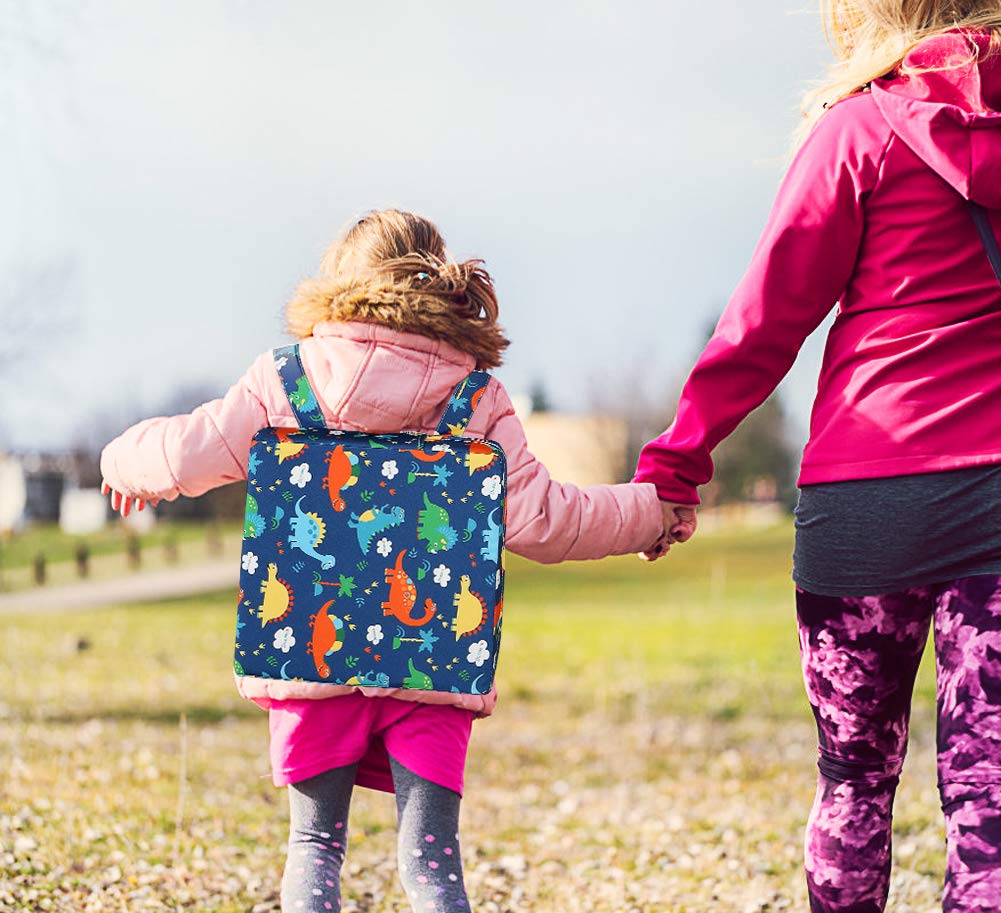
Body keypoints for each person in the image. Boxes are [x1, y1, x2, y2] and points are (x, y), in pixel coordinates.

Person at [99, 209, 665, 913]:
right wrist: (650, 512)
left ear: (339, 282)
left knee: (313, 847)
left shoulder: (287, 378)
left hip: (308, 652)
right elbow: (545, 519)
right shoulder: (476, 397)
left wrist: (119, 461)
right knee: (431, 867)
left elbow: (185, 454)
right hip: (434, 660)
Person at [633, 3, 1001, 911]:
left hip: (863, 497)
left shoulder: (858, 130)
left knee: (854, 779)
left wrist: (676, 464)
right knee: (989, 790)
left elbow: (764, 321)